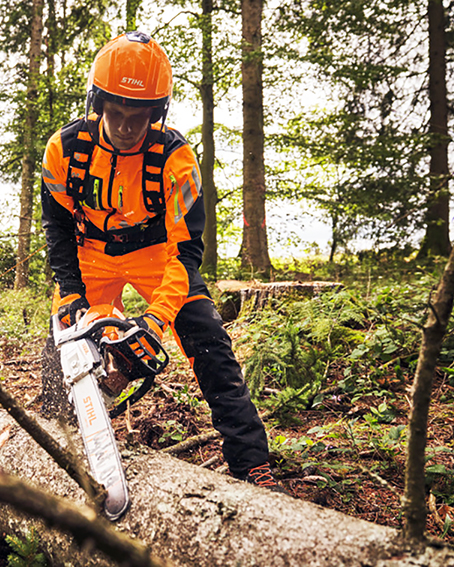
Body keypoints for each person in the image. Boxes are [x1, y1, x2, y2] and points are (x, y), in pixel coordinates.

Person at [40, 31, 279, 490]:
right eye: (117, 114)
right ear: (99, 103)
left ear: (158, 112)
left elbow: (187, 249)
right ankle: (55, 445)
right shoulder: (64, 151)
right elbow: (58, 227)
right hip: (90, 254)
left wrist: (157, 320)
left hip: (157, 254)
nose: (127, 127)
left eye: (140, 116)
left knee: (209, 339)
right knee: (62, 351)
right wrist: (71, 289)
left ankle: (252, 464)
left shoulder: (176, 157)